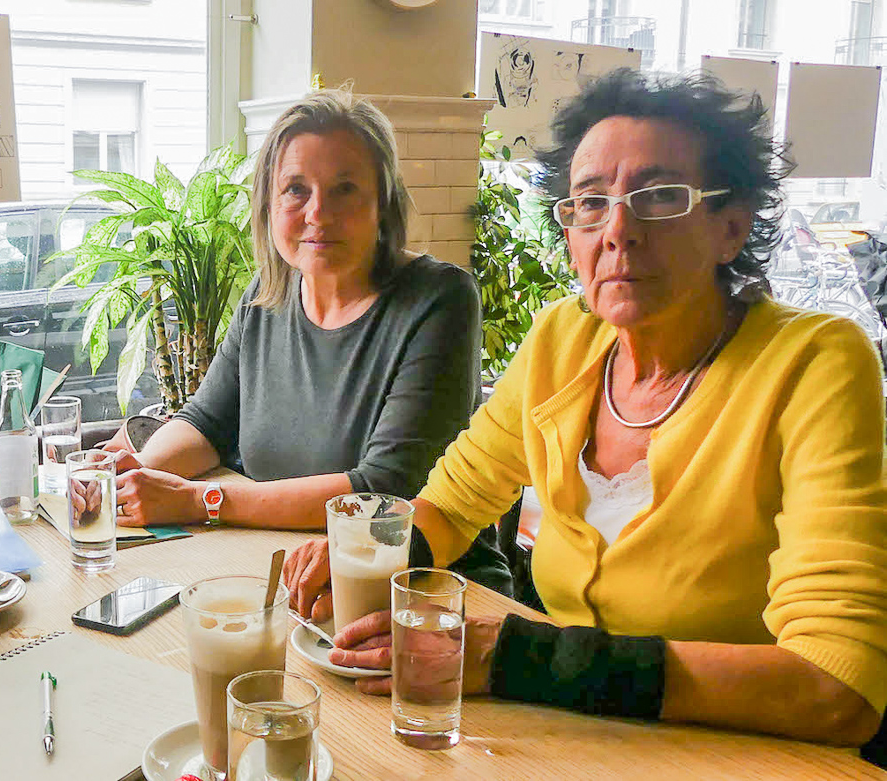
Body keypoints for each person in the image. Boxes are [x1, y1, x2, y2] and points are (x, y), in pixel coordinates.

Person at [283, 69, 887, 750]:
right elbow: (453, 504)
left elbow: (838, 685)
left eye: (658, 196)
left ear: (731, 227)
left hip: (737, 752)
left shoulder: (815, 363)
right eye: (590, 202)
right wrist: (367, 556)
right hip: (557, 736)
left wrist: (526, 660)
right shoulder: (562, 340)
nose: (618, 230)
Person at [102, 90, 508, 589]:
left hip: (418, 589)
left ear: (382, 204)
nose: (319, 212)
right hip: (283, 565)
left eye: (345, 189)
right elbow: (206, 423)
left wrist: (198, 501)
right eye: (296, 189)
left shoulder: (439, 299)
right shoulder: (265, 295)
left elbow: (384, 489)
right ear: (268, 205)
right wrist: (136, 477)